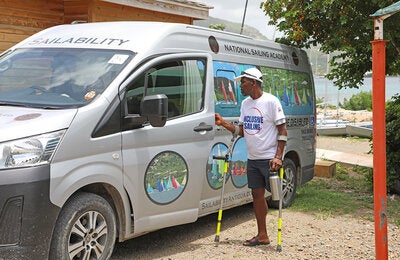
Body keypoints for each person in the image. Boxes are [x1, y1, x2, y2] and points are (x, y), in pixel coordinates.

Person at [215, 67, 287, 246]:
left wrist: (278, 156)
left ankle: (267, 234)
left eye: (243, 82)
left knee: (276, 196)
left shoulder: (271, 101)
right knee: (257, 195)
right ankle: (262, 235)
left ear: (253, 82)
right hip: (253, 158)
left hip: (269, 159)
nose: (240, 86)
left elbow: (282, 130)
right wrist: (223, 123)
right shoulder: (245, 104)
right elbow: (241, 131)